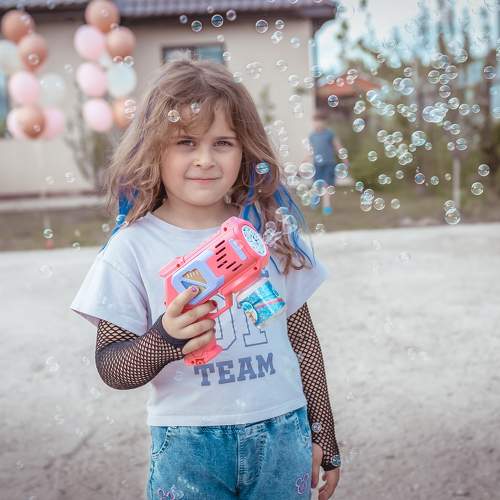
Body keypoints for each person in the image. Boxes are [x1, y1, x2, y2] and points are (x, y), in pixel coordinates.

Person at [70, 59, 341, 500]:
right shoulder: (132, 248)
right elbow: (112, 366)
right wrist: (165, 339)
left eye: (223, 143)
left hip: (284, 434)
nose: (205, 159)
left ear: (245, 150)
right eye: (185, 142)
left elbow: (302, 339)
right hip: (188, 444)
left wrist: (323, 433)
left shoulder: (267, 232)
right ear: (153, 148)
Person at [306, 111, 347, 215]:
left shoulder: (329, 133)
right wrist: (306, 158)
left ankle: (326, 206)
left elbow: (338, 146)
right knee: (316, 185)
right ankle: (315, 198)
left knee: (327, 185)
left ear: (325, 122)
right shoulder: (312, 136)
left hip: (329, 164)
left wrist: (344, 158)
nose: (318, 123)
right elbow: (311, 150)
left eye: (321, 121)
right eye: (316, 121)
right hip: (317, 164)